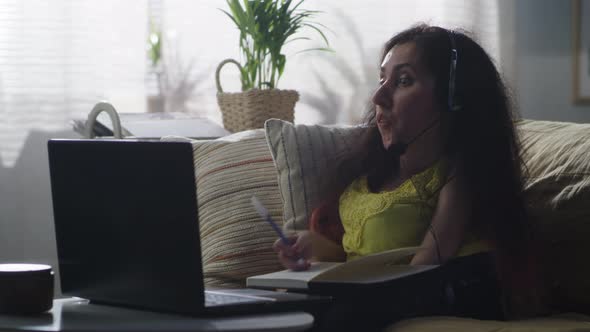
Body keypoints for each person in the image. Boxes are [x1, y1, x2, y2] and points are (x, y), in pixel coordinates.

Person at [273, 24, 541, 330]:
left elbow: (426, 266)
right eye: (382, 79)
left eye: (403, 81)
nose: (378, 96)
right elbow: (360, 259)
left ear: (453, 97)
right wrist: (316, 249)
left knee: (337, 315)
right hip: (384, 291)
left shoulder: (458, 173)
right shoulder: (365, 179)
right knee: (275, 309)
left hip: (448, 287)